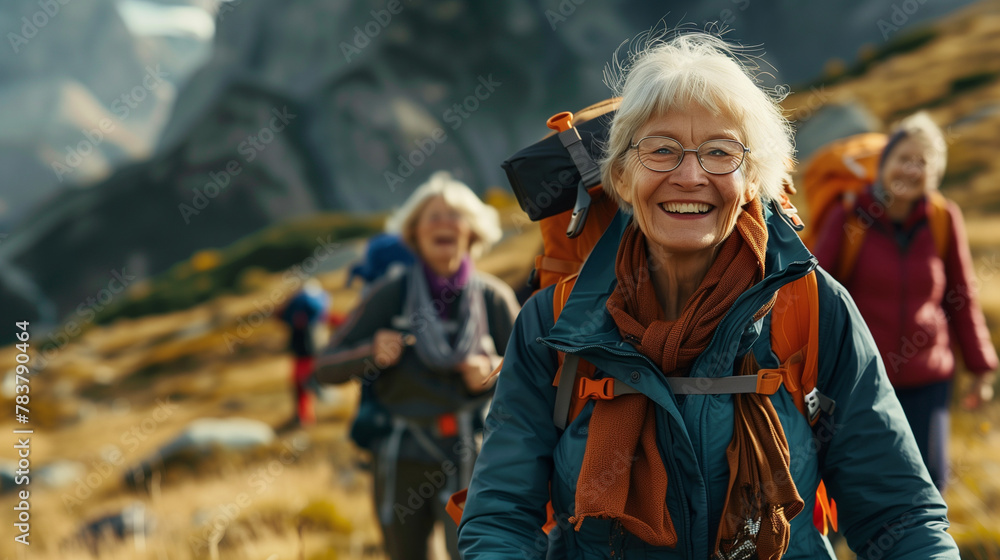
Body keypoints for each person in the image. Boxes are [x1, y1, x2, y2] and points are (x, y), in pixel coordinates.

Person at [457, 32, 960, 559]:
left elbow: (899, 514)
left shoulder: (811, 306)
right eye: (661, 150)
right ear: (623, 176)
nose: (690, 176)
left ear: (752, 182)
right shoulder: (554, 322)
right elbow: (501, 518)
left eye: (720, 152)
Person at [314, 171, 520, 560]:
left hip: (471, 454)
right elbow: (324, 369)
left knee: (472, 554)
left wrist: (494, 368)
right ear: (414, 234)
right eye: (432, 216)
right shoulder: (389, 295)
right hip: (400, 454)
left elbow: (535, 376)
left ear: (472, 231)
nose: (443, 223)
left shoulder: (493, 296)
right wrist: (369, 355)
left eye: (453, 215)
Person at [814, 112, 998, 492]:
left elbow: (961, 298)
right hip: (859, 379)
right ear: (884, 165)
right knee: (857, 487)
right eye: (903, 158)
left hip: (927, 381)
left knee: (926, 487)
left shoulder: (944, 218)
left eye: (922, 162)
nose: (911, 170)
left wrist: (981, 369)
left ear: (935, 174)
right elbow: (816, 293)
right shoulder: (850, 216)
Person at [279, 278, 331, 427]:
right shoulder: (320, 304)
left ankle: (305, 418)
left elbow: (280, 316)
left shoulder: (297, 306)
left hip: (304, 353)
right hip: (314, 350)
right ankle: (307, 417)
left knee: (302, 386)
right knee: (310, 385)